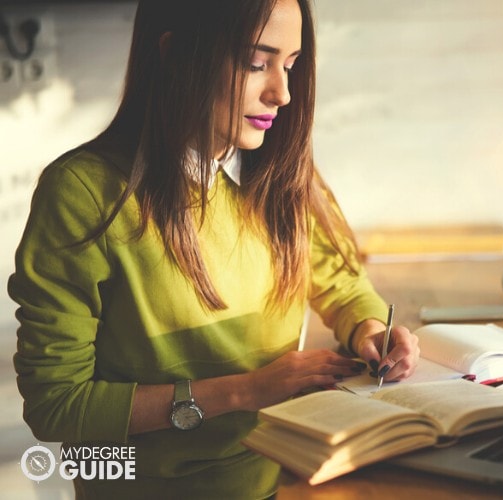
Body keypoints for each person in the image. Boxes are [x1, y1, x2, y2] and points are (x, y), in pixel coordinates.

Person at [8, 0, 420, 498]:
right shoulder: (83, 194)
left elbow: (341, 281)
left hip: (284, 475)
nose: (283, 93)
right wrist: (247, 390)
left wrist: (372, 330)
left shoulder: (283, 177)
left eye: (290, 65)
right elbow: (58, 406)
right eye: (255, 63)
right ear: (176, 53)